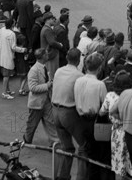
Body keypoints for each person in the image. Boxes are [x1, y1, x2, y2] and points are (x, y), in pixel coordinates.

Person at [74, 52, 108, 179]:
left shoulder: (78, 80)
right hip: (94, 121)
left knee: (86, 149)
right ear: (99, 68)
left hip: (80, 119)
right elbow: (105, 105)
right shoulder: (100, 85)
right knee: (97, 154)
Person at [51, 48, 83, 180]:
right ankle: (82, 177)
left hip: (55, 111)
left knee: (67, 147)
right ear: (79, 59)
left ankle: (63, 176)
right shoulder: (78, 75)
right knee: (84, 146)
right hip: (68, 113)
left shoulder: (59, 71)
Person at [99, 70, 132, 180]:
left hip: (116, 133)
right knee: (130, 164)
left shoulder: (110, 96)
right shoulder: (131, 97)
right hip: (130, 131)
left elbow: (101, 112)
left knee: (118, 163)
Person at [24, 48, 59, 146]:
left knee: (51, 122)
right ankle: (27, 140)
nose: (48, 55)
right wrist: (48, 85)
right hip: (36, 103)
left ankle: (54, 142)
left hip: (46, 100)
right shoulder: (34, 70)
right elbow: (32, 88)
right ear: (43, 56)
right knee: (32, 124)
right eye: (46, 54)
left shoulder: (44, 67)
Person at [0, 17, 27, 99]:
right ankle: (4, 93)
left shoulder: (2, 30)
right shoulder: (12, 34)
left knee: (6, 74)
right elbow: (13, 47)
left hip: (2, 55)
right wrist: (23, 50)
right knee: (6, 75)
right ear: (12, 24)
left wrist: (2, 47)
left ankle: (7, 90)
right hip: (8, 56)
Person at [40, 13, 63, 80]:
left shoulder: (45, 28)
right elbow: (52, 42)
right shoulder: (47, 30)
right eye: (52, 19)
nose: (54, 20)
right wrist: (59, 45)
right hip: (50, 54)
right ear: (48, 20)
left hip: (48, 54)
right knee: (51, 74)